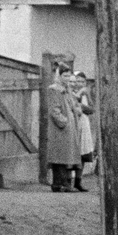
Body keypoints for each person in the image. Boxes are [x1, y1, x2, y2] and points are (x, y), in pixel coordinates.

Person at [46, 64, 82, 193]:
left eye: (68, 75)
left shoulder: (67, 90)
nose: (67, 78)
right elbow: (54, 110)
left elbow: (73, 105)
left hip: (69, 128)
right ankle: (61, 184)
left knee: (65, 156)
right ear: (59, 75)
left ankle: (62, 184)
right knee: (60, 156)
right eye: (64, 75)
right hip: (60, 129)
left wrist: (76, 113)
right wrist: (64, 122)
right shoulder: (55, 89)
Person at [71, 71, 96, 188]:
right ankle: (68, 179)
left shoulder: (86, 93)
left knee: (84, 153)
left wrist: (84, 105)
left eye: (82, 81)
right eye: (78, 81)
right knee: (74, 151)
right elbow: (74, 104)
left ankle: (78, 181)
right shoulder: (72, 92)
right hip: (75, 123)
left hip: (84, 124)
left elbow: (91, 109)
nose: (80, 84)